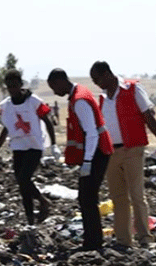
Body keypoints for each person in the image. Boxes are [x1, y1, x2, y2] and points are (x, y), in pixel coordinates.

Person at [90, 61, 156, 249]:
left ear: (107, 74)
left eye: (97, 79)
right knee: (118, 197)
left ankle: (144, 238)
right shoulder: (102, 99)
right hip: (111, 152)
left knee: (136, 194)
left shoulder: (132, 89)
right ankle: (123, 240)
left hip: (133, 149)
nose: (97, 84)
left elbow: (148, 115)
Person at [47, 68, 113, 252]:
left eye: (54, 87)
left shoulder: (79, 100)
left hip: (97, 152)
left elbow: (91, 133)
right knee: (86, 198)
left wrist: (88, 161)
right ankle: (92, 240)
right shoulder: (78, 95)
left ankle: (93, 243)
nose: (54, 92)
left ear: (60, 82)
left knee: (87, 198)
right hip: (96, 152)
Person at [0, 69, 58, 225]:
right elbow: (6, 128)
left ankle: (43, 201)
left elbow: (47, 121)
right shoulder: (6, 106)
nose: (12, 89)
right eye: (9, 86)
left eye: (15, 85)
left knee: (23, 178)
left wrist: (53, 145)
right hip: (18, 147)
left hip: (34, 146)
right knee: (22, 184)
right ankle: (30, 220)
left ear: (21, 84)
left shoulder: (34, 101)